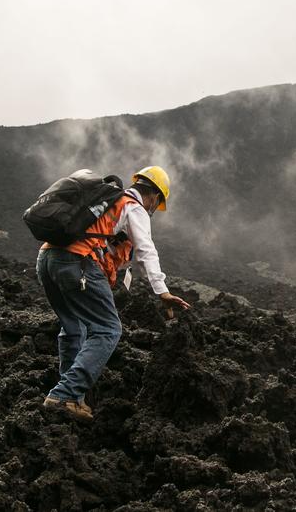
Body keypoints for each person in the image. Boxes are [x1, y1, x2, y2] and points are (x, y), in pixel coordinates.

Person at [37, 165, 190, 421]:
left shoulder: (106, 201)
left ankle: (70, 399)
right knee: (108, 329)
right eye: (157, 202)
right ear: (153, 194)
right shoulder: (133, 206)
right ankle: (64, 394)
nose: (154, 208)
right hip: (78, 261)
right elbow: (146, 250)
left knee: (74, 327)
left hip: (47, 259)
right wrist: (161, 291)